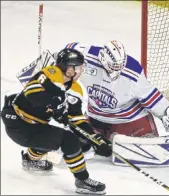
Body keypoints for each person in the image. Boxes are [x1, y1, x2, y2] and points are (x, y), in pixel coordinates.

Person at [1, 48, 111, 195]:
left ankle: (30, 160)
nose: (81, 71)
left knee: (54, 136)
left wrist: (94, 138)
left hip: (34, 128)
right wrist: (54, 102)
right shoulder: (51, 73)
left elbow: (77, 119)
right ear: (68, 69)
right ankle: (82, 181)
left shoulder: (76, 90)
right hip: (18, 123)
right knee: (69, 140)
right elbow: (31, 93)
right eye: (78, 67)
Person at [64, 41, 169, 148]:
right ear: (103, 59)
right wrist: (52, 67)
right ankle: (105, 135)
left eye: (120, 66)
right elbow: (68, 49)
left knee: (148, 145)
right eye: (114, 67)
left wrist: (168, 113)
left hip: (129, 120)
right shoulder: (87, 57)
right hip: (97, 118)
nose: (117, 70)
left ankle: (113, 137)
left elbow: (151, 97)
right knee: (78, 144)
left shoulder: (132, 73)